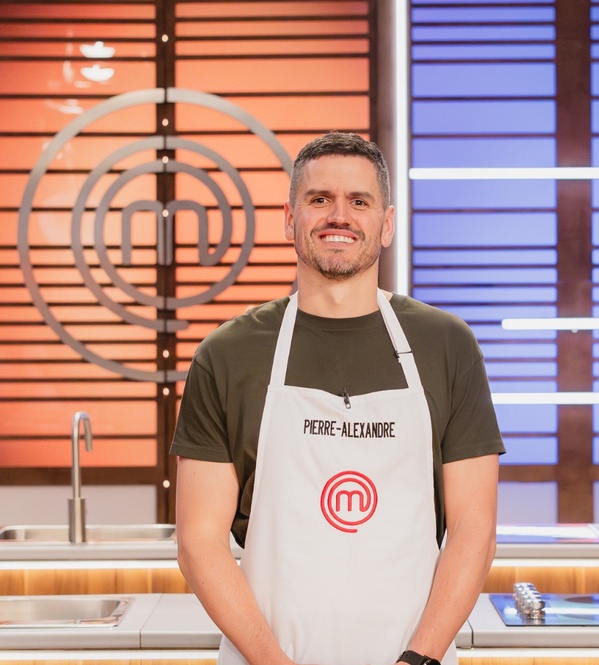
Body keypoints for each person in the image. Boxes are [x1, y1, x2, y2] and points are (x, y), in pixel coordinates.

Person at [171, 131, 505, 665]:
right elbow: (198, 540)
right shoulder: (228, 354)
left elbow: (474, 529)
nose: (339, 216)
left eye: (359, 201)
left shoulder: (446, 345)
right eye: (320, 198)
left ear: (387, 224)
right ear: (289, 219)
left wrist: (418, 659)